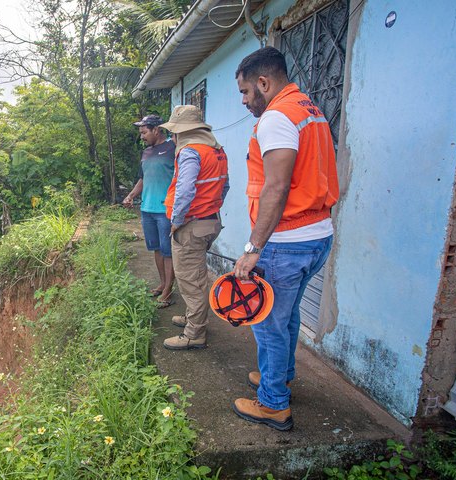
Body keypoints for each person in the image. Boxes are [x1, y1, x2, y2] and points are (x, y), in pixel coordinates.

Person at [232, 46, 340, 431]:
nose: (245, 101)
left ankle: (274, 403)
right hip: (317, 236)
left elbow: (276, 189)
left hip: (286, 242)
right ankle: (280, 375)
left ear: (264, 82)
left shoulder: (277, 117)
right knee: (287, 314)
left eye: (246, 92)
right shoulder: (308, 110)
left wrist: (251, 249)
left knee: (267, 323)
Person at [159, 105, 229, 350]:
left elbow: (185, 190)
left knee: (190, 279)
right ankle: (193, 318)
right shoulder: (216, 150)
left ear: (182, 132)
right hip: (209, 220)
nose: (173, 137)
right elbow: (225, 186)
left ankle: (194, 333)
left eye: (174, 132)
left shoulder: (190, 152)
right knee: (195, 274)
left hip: (191, 224)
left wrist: (177, 221)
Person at [122, 114, 176, 307]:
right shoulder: (146, 153)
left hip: (165, 209)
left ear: (156, 129)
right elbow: (143, 179)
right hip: (147, 209)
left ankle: (169, 290)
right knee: (156, 248)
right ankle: (163, 284)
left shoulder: (172, 148)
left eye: (144, 132)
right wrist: (131, 195)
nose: (142, 137)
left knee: (168, 250)